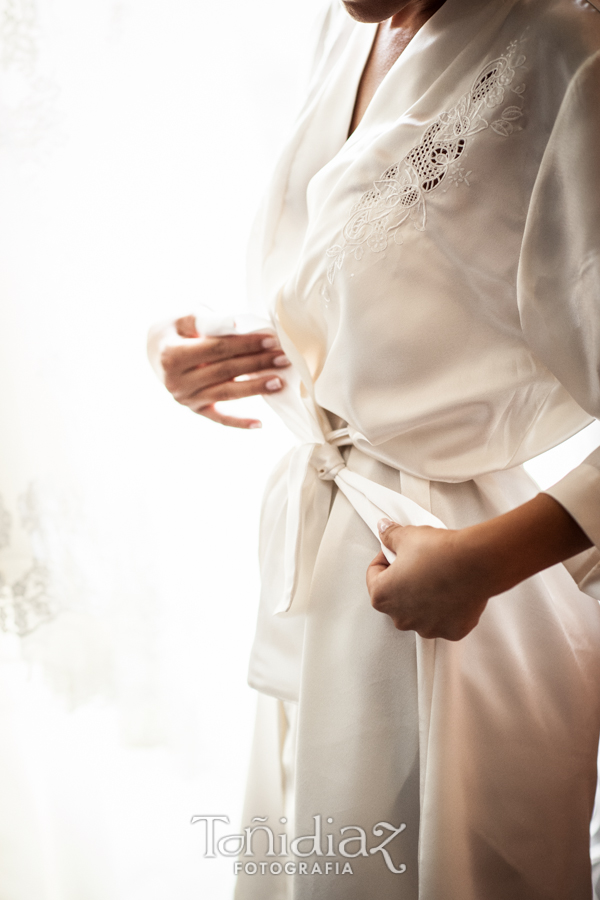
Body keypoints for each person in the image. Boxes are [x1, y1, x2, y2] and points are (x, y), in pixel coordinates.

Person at [147, 0, 600, 896]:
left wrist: (482, 563)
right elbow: (359, 284)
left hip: (454, 613)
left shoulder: (564, 52)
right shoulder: (347, 26)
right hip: (321, 585)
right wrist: (197, 349)